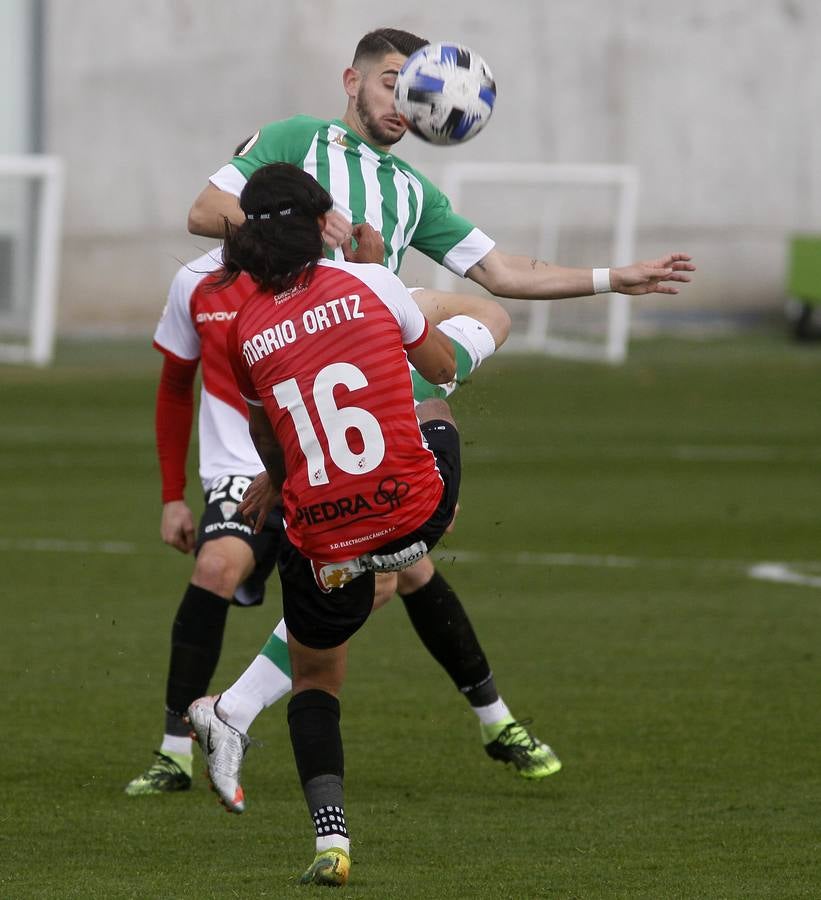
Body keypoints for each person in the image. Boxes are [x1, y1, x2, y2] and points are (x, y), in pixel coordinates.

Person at [178, 26, 695, 804]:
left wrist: (608, 277)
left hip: (355, 378)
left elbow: (501, 269)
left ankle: (492, 719)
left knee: (408, 556)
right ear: (350, 80)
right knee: (392, 557)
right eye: (393, 80)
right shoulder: (294, 141)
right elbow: (204, 207)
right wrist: (306, 243)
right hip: (298, 368)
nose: (403, 99)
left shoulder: (413, 191)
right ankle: (234, 711)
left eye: (414, 85)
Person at [125, 226, 514, 797]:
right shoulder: (198, 282)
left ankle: (496, 719)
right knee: (219, 568)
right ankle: (175, 749)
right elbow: (177, 387)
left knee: (398, 575)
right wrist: (170, 497)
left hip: (319, 469)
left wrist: (605, 280)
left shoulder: (342, 276)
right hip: (251, 470)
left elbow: (478, 316)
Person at [192, 161, 467, 886]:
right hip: (418, 511)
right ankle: (404, 543)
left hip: (316, 532)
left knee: (317, 675)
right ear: (321, 225)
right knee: (435, 415)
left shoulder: (243, 327)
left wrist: (275, 484)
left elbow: (271, 439)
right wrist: (442, 321)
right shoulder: (369, 282)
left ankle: (330, 842)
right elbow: (437, 367)